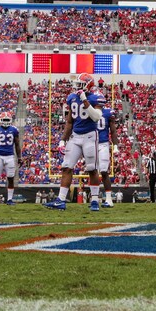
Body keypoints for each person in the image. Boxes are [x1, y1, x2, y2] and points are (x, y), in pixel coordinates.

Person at [45, 73, 104, 211]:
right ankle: (61, 200)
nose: (77, 86)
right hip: (75, 136)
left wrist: (85, 101)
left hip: (90, 136)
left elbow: (96, 117)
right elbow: (69, 122)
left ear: (88, 85)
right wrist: (62, 140)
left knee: (92, 168)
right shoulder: (72, 98)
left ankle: (95, 200)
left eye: (81, 84)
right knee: (66, 167)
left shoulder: (96, 97)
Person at [0, 112, 21, 205]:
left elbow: (17, 145)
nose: (5, 122)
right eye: (4, 120)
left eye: (7, 120)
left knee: (10, 178)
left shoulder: (14, 130)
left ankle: (9, 199)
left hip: (10, 156)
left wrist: (20, 158)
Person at [96, 100, 119, 208]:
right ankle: (94, 199)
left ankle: (109, 199)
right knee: (93, 171)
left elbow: (113, 131)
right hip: (90, 143)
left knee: (104, 171)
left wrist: (115, 145)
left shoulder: (107, 113)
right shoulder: (88, 111)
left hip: (103, 144)